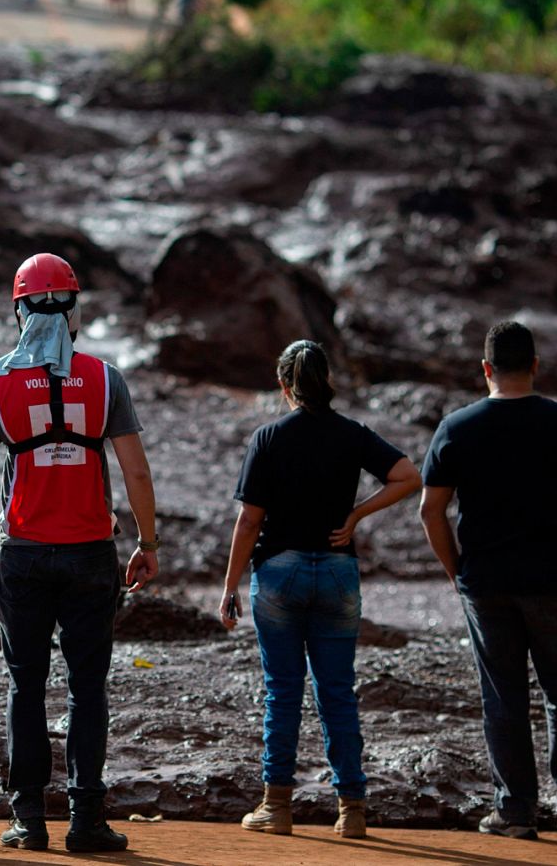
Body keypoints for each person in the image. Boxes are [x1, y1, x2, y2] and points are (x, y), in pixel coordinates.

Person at [0, 253, 159, 853]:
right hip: (91, 555)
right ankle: (87, 821)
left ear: (18, 310)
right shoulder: (105, 380)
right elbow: (136, 474)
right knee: (88, 686)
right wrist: (148, 543)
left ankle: (28, 820)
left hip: (22, 555)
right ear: (74, 310)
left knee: (25, 684)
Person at [419, 321, 557, 842]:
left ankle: (515, 811)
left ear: (485, 368)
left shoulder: (456, 427)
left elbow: (430, 509)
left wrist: (454, 569)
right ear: (535, 365)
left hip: (486, 580)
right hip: (552, 577)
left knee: (503, 697)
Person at [217, 340, 420, 840]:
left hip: (279, 573)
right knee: (337, 693)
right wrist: (356, 514)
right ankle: (351, 809)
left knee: (281, 692)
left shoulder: (268, 437)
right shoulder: (351, 434)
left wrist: (229, 587)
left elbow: (249, 521)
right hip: (336, 571)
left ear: (285, 386)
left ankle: (276, 807)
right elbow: (408, 475)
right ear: (327, 380)